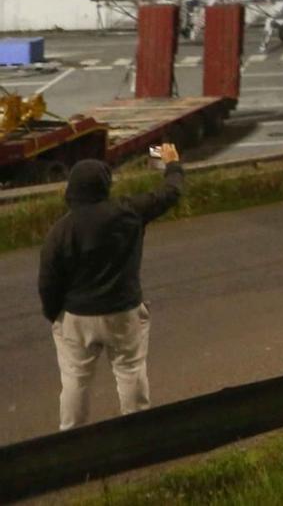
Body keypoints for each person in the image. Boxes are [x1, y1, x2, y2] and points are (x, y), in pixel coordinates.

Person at [39, 146, 184, 431]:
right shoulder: (128, 212)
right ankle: (136, 433)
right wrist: (173, 165)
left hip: (77, 316)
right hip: (123, 310)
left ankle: (71, 438)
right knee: (130, 371)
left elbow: (48, 282)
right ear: (105, 185)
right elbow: (171, 193)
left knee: (75, 380)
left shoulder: (60, 232)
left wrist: (55, 315)